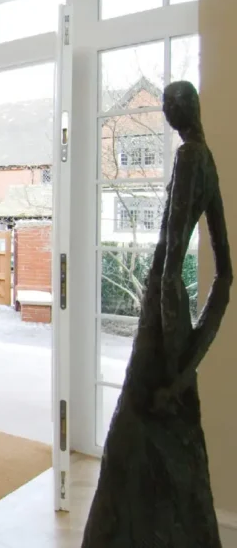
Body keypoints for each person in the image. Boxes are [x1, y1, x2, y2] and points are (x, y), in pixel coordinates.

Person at [82, 81, 232, 547]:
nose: (165, 112)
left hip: (162, 316)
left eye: (167, 106)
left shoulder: (191, 158)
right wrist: (187, 364)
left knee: (135, 432)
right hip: (171, 319)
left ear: (177, 112)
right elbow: (225, 277)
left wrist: (178, 366)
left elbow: (173, 268)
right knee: (157, 436)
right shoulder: (205, 159)